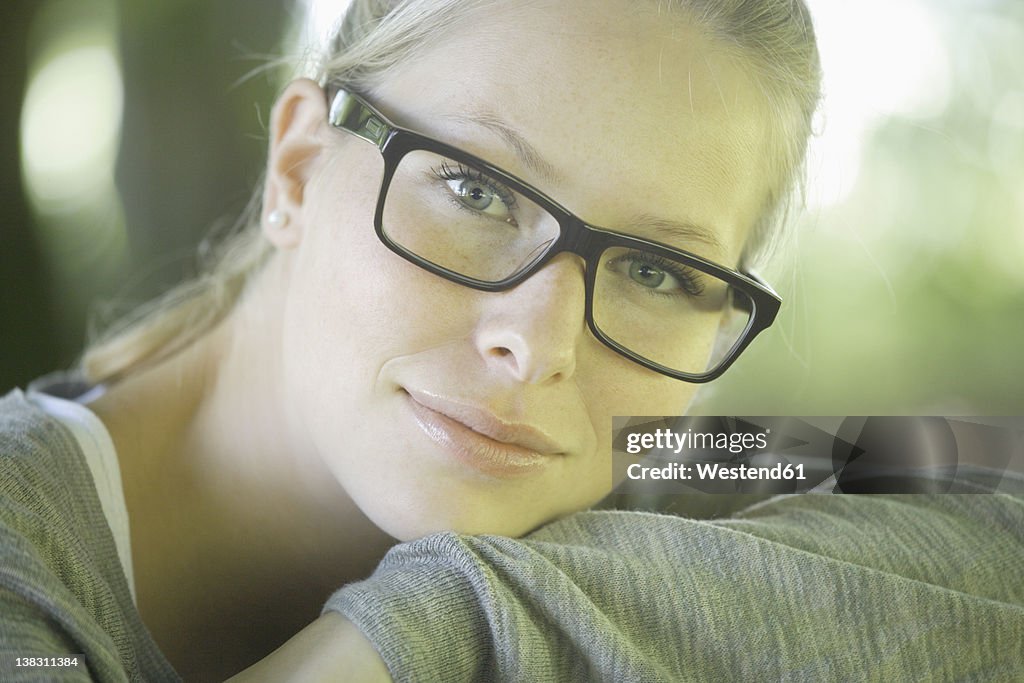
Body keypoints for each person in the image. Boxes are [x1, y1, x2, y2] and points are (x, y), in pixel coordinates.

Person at [2, 0, 1022, 681]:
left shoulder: (657, 454)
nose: (537, 346)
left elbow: (988, 477)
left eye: (655, 270)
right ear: (299, 168)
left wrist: (442, 618)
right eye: (476, 189)